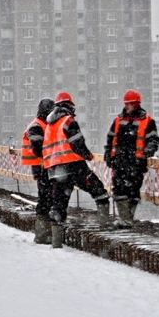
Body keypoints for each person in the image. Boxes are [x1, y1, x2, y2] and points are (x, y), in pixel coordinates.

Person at [42, 92, 111, 247]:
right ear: (69, 105)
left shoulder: (49, 125)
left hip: (55, 171)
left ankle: (56, 242)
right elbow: (76, 143)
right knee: (99, 192)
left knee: (58, 206)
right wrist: (87, 155)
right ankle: (105, 227)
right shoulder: (68, 121)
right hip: (73, 166)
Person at [104, 89, 159, 225]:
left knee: (133, 192)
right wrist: (108, 155)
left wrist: (147, 152)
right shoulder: (118, 120)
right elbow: (110, 139)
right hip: (120, 162)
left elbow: (153, 140)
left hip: (136, 163)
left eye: (131, 104)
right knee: (119, 190)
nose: (128, 106)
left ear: (137, 104)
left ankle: (126, 219)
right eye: (127, 104)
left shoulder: (147, 121)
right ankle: (126, 219)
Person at [21, 98, 55, 244]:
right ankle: (42, 235)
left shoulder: (40, 124)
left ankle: (45, 233)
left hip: (42, 167)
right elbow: (38, 149)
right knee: (45, 199)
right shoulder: (37, 126)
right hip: (42, 167)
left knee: (47, 199)